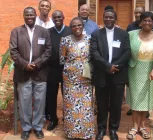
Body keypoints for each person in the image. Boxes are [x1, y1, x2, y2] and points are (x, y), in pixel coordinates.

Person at [10, 7, 51, 140]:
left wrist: (36, 63)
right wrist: (25, 65)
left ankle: (38, 127)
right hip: (23, 73)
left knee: (40, 102)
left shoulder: (44, 32)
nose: (29, 16)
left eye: (31, 14)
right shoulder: (16, 31)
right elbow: (14, 51)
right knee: (24, 102)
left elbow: (48, 51)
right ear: (23, 16)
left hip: (40, 73)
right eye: (27, 14)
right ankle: (26, 128)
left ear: (35, 16)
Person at [90, 9, 131, 140]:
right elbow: (94, 53)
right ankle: (101, 130)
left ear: (115, 19)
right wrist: (108, 67)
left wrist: (115, 67)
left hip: (118, 75)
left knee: (116, 105)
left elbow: (127, 52)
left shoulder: (123, 34)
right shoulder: (96, 34)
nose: (108, 19)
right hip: (102, 74)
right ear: (103, 18)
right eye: (106, 17)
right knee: (101, 104)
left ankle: (113, 129)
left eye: (111, 17)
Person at [126, 11, 153, 140]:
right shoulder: (131, 35)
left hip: (151, 70)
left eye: (150, 21)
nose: (147, 23)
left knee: (146, 100)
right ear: (140, 22)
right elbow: (126, 52)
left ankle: (142, 127)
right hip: (135, 70)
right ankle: (134, 127)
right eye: (145, 20)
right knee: (136, 99)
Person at [60, 17, 95, 139]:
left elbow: (93, 57)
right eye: (74, 26)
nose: (77, 28)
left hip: (86, 78)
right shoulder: (65, 40)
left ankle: (86, 133)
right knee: (71, 106)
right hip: (70, 79)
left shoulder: (90, 39)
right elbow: (62, 58)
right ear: (71, 28)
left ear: (83, 26)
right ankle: (72, 133)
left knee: (85, 106)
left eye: (79, 25)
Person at [125, 7, 153, 117]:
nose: (137, 14)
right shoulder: (130, 28)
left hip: (149, 65)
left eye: (139, 12)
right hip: (134, 64)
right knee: (134, 90)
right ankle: (133, 108)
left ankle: (145, 110)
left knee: (146, 91)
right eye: (136, 12)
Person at [45, 10, 72, 131]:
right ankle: (53, 119)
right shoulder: (48, 32)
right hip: (52, 69)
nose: (57, 19)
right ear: (52, 19)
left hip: (67, 69)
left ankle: (67, 118)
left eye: (59, 17)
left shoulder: (70, 31)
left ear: (63, 17)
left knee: (67, 95)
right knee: (51, 96)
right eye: (55, 17)